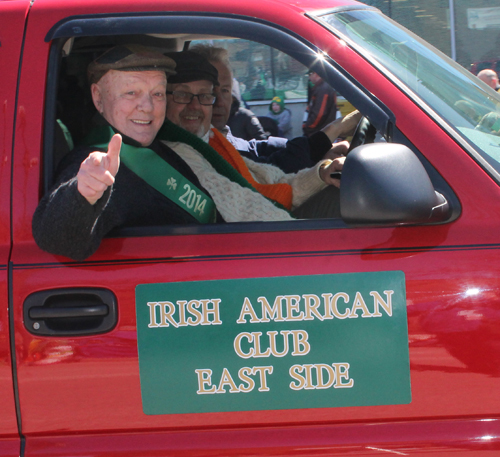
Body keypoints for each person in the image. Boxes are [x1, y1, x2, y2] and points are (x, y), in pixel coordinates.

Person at [32, 45, 222, 261]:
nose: (148, 107)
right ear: (98, 97)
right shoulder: (94, 164)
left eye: (157, 93)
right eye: (132, 93)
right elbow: (58, 240)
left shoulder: (162, 151)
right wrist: (82, 194)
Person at [161, 50, 351, 223]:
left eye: (204, 96)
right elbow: (249, 210)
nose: (195, 106)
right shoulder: (178, 154)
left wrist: (322, 173)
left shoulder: (212, 140)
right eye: (182, 95)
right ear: (162, 98)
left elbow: (274, 179)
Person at [189, 43, 360, 174]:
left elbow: (252, 149)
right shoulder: (198, 146)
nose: (220, 101)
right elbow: (266, 169)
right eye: (209, 91)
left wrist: (315, 149)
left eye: (225, 90)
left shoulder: (220, 135)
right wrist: (333, 131)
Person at [303, 70, 337, 136]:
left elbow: (319, 114)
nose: (309, 78)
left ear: (315, 74)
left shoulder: (323, 89)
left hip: (319, 132)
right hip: (321, 131)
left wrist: (309, 127)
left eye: (310, 75)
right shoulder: (321, 87)